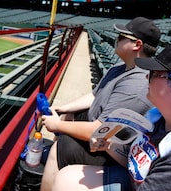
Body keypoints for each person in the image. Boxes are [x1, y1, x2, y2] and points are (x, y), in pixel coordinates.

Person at [51, 43, 171, 191]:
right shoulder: (165, 117)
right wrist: (109, 146)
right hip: (146, 181)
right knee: (67, 176)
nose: (145, 77)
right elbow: (141, 165)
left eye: (153, 74)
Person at [40, 17, 161, 191]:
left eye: (121, 37)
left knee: (62, 147)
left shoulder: (137, 84)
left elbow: (101, 130)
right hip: (103, 135)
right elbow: (94, 95)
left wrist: (58, 124)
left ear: (137, 45)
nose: (116, 39)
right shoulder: (121, 67)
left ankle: (54, 168)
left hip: (116, 152)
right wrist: (63, 109)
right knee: (71, 115)